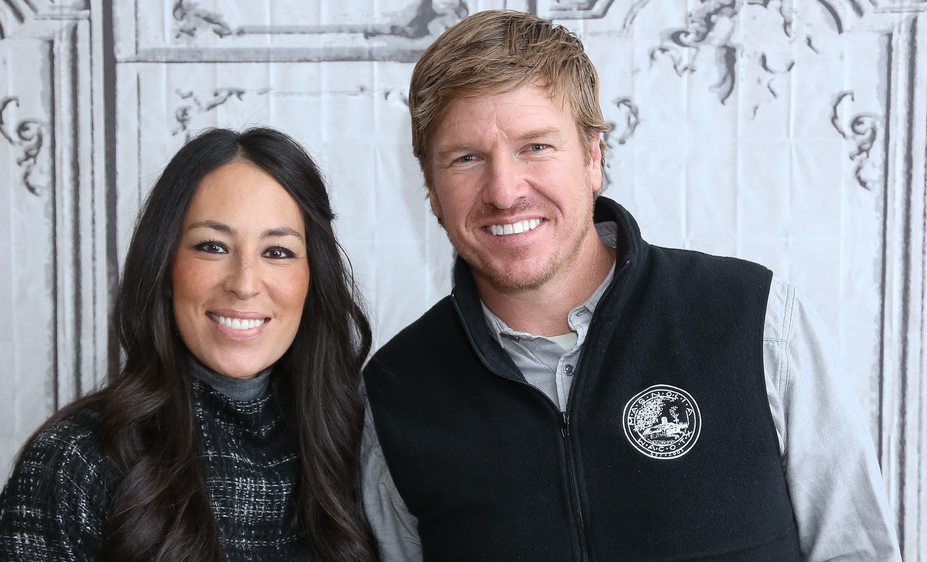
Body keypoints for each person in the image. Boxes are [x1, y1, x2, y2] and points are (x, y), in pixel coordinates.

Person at [361, 9, 901, 561]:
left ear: (594, 156)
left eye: (536, 147)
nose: (503, 190)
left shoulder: (756, 321)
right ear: (430, 188)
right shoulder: (396, 392)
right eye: (466, 158)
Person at [0, 127, 380, 561]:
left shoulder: (365, 445)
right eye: (212, 246)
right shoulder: (76, 459)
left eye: (278, 251)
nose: (244, 284)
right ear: (165, 267)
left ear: (313, 277)